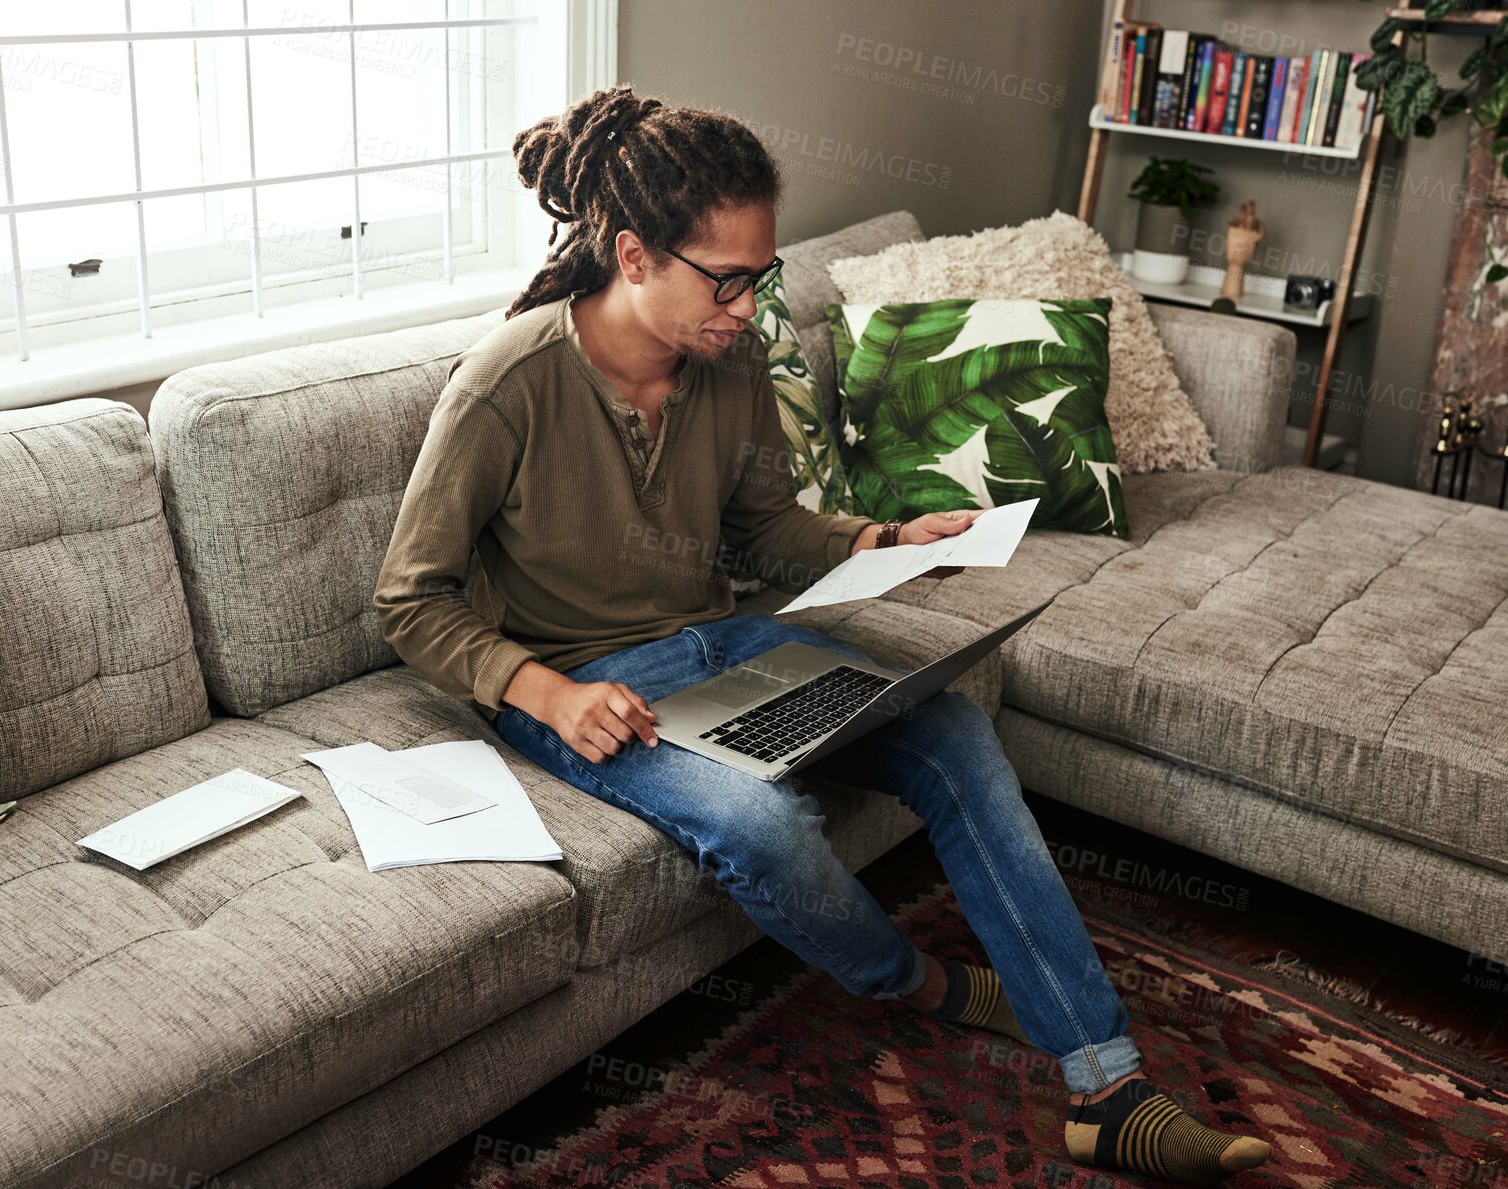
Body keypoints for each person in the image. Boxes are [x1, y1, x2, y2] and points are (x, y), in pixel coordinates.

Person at [374, 83, 1272, 1185]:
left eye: (761, 278)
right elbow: (409, 597)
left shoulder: (727, 360)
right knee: (760, 825)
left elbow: (764, 526)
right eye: (728, 280)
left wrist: (885, 536)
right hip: (586, 687)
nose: (748, 308)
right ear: (633, 254)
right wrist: (544, 693)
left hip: (722, 642)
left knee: (952, 731)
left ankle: (1105, 1083)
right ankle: (917, 983)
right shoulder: (505, 384)